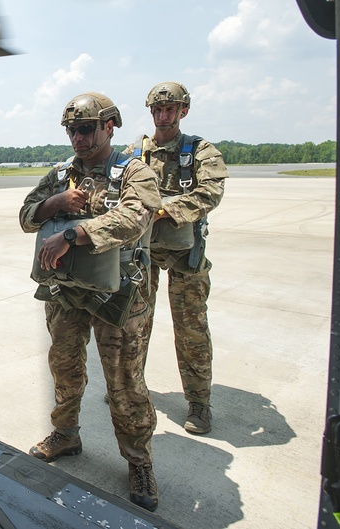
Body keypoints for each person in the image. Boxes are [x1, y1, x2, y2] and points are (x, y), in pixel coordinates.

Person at [21, 92, 163, 511]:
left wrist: (72, 233)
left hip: (118, 294)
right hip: (67, 291)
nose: (77, 138)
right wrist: (55, 203)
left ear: (109, 126)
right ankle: (66, 435)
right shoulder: (62, 174)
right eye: (71, 130)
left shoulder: (134, 172)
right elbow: (27, 215)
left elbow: (136, 217)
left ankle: (139, 461)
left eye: (85, 129)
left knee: (124, 382)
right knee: (64, 368)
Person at [126, 81, 228, 435]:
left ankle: (199, 403)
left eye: (171, 109)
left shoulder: (202, 151)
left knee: (191, 330)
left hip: (186, 254)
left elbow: (211, 192)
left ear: (184, 111)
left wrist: (165, 210)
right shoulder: (136, 152)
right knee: (134, 325)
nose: (163, 115)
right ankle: (130, 388)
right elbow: (117, 185)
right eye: (158, 109)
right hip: (144, 253)